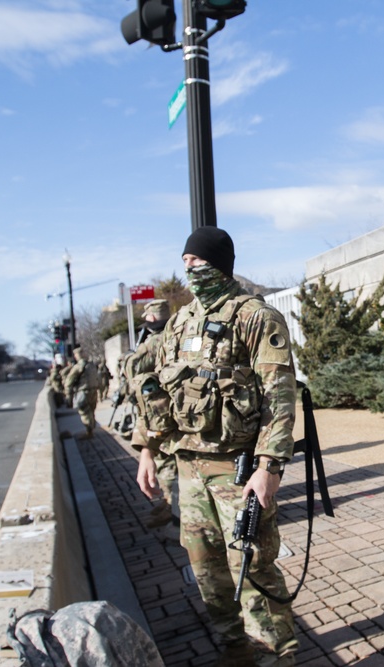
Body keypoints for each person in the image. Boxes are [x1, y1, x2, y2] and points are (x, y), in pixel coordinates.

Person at [135, 226, 298, 666]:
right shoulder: (180, 322)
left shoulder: (255, 317)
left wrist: (270, 466)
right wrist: (147, 449)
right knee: (206, 568)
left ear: (221, 264)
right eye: (186, 261)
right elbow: (155, 389)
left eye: (199, 261)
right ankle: (236, 648)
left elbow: (280, 396)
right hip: (188, 468)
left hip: (237, 468)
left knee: (252, 564)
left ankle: (277, 654)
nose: (190, 268)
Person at [125, 298, 178, 529]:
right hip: (175, 407)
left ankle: (174, 510)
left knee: (167, 462)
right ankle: (169, 504)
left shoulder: (154, 341)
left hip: (161, 410)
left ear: (152, 318)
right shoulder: (178, 332)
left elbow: (132, 369)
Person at [64, 346, 99, 439]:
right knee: (91, 411)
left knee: (84, 412)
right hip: (94, 391)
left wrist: (68, 395)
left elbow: (69, 381)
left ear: (76, 356)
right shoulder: (91, 365)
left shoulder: (79, 366)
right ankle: (92, 429)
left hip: (83, 392)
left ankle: (89, 432)